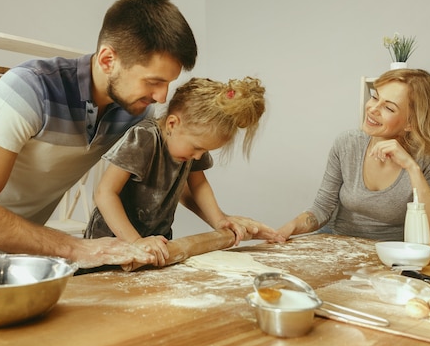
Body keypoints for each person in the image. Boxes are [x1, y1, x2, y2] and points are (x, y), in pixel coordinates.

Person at [0, 0, 198, 268]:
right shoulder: (29, 89)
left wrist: (221, 220)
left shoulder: (134, 110)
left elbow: (174, 166)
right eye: (153, 82)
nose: (162, 97)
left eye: (167, 84)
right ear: (107, 60)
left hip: (13, 254)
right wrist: (76, 248)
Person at [84, 76, 284, 267]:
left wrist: (219, 220)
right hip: (111, 244)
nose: (198, 156)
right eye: (197, 148)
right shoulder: (144, 138)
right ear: (173, 123)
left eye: (204, 151)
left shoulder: (186, 149)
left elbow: (198, 185)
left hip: (157, 244)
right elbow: (105, 193)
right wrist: (135, 241)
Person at [277, 68, 430, 241]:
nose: (372, 109)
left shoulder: (429, 157)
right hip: (336, 245)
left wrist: (412, 167)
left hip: (391, 256)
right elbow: (322, 208)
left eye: (389, 108)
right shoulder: (348, 144)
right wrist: (293, 225)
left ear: (411, 123)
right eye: (375, 97)